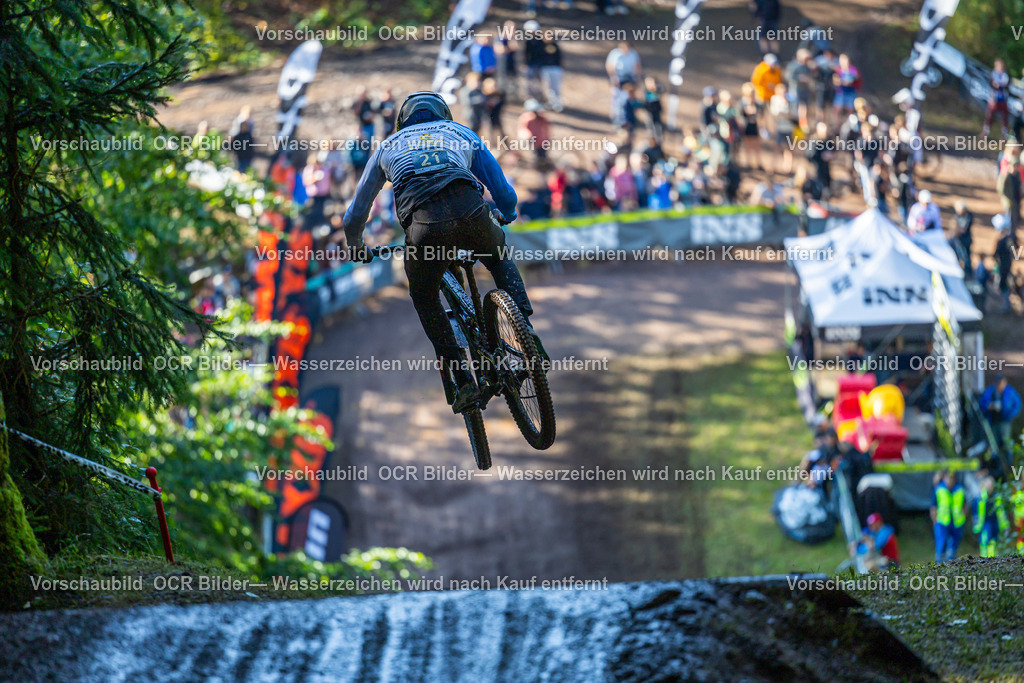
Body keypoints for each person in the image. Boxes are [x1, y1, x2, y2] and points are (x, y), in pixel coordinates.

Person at [342, 92, 543, 413]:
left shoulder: (386, 147)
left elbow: (354, 216)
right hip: (471, 212)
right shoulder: (462, 133)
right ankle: (529, 337)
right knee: (498, 257)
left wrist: (357, 248)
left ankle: (462, 378)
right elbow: (502, 189)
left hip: (424, 228)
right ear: (444, 114)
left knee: (424, 295)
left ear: (401, 121)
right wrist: (507, 212)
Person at [979, 374, 1022, 456]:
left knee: (1006, 444)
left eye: (1001, 383)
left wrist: (1010, 414)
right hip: (993, 421)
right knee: (993, 444)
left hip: (1005, 422)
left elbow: (1017, 405)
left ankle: (1008, 465)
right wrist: (989, 407)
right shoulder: (990, 391)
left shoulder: (1010, 391)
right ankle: (995, 465)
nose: (999, 386)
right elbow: (982, 403)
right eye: (998, 383)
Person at [931, 470, 966, 563]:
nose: (950, 480)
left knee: (953, 547)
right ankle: (939, 567)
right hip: (942, 521)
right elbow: (933, 507)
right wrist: (934, 521)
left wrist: (963, 517)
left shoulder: (959, 489)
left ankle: (952, 566)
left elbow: (964, 505)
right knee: (941, 545)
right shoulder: (939, 488)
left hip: (957, 522)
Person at [606, 40, 642, 126]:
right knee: (617, 98)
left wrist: (636, 78)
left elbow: (637, 66)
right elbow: (610, 66)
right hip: (619, 77)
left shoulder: (633, 54)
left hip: (630, 78)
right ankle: (617, 118)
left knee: (630, 98)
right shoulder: (615, 54)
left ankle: (631, 117)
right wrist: (614, 78)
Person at [973, 477, 1009, 558]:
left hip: (995, 522)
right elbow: (975, 514)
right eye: (988, 484)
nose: (990, 486)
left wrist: (1005, 525)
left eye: (991, 484)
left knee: (994, 542)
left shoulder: (997, 497)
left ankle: (994, 560)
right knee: (985, 542)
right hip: (985, 524)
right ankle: (984, 560)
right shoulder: (979, 498)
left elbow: (1002, 513)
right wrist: (976, 528)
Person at [983, 58, 1011, 138]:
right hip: (994, 98)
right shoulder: (993, 74)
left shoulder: (1006, 75)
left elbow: (1006, 85)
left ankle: (1004, 134)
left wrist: (999, 86)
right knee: (990, 115)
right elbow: (991, 84)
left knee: (1004, 117)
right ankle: (986, 131)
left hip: (1003, 99)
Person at [993, 216, 1016, 313]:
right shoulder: (1010, 240)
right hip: (1008, 264)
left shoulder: (1001, 241)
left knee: (1002, 285)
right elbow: (1015, 253)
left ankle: (1006, 306)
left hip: (1003, 265)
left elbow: (995, 255)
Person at [538, 29, 563, 112]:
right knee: (547, 87)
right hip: (545, 68)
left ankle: (557, 103)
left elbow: (558, 59)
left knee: (555, 87)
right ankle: (550, 102)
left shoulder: (555, 46)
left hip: (555, 68)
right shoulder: (541, 46)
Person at [952, 200, 974, 280]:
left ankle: (968, 275)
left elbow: (963, 229)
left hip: (965, 241)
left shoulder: (968, 216)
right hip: (958, 241)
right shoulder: (957, 216)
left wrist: (957, 230)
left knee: (966, 258)